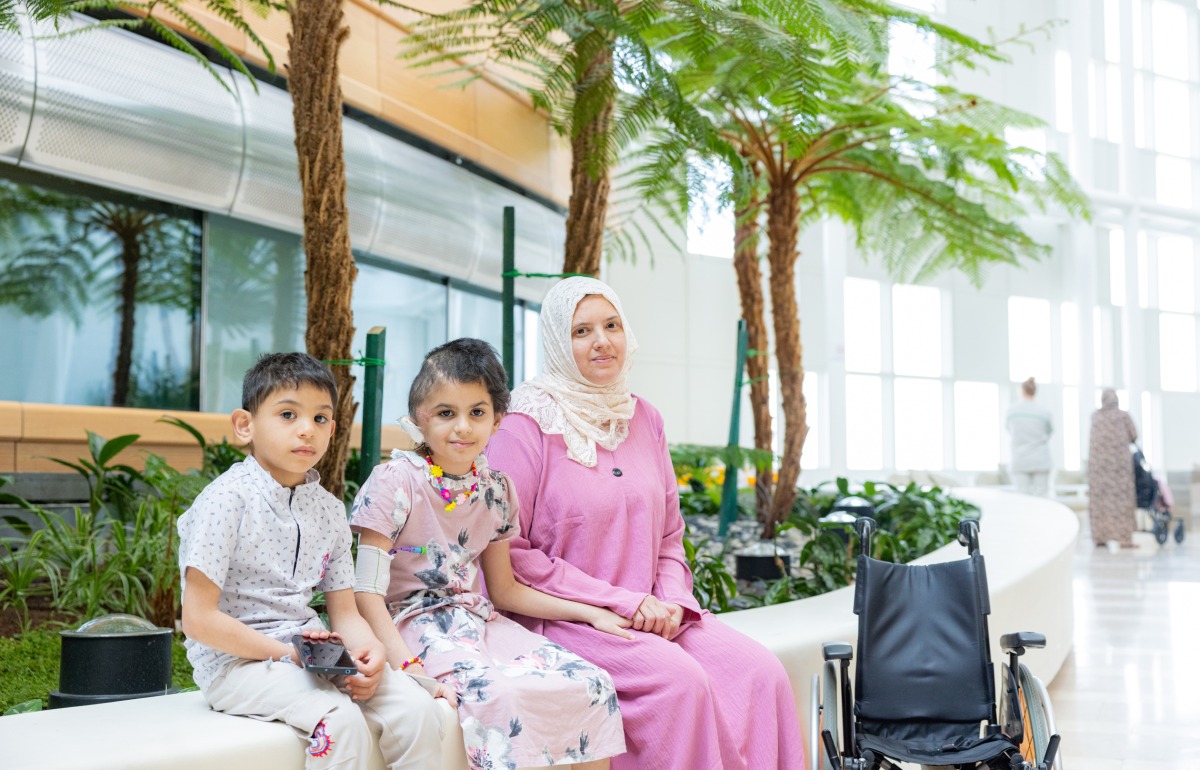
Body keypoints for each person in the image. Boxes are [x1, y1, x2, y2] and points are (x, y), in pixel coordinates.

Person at [486, 276, 805, 770]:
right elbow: (514, 555)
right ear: (555, 340)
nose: (601, 341)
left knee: (760, 671)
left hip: (655, 614)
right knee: (680, 683)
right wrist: (623, 602)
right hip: (570, 617)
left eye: (611, 325)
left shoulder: (644, 417)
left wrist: (673, 600)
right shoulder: (524, 427)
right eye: (581, 331)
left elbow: (669, 537)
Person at [350, 338, 629, 770]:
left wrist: (589, 613)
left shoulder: (497, 490)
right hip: (408, 624)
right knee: (499, 696)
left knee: (590, 682)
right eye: (446, 413)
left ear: (498, 420)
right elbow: (365, 593)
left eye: (477, 412)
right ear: (417, 419)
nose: (462, 426)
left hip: (478, 621)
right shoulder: (394, 481)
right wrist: (403, 664)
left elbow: (505, 590)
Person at [178, 352, 443, 769]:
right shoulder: (225, 501)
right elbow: (198, 620)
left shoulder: (329, 509)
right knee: (341, 722)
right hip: (234, 665)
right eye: (288, 414)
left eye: (320, 419)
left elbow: (346, 613)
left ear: (333, 429)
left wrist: (369, 652)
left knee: (420, 711)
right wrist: (289, 654)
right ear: (245, 425)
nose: (307, 430)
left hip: (315, 655)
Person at [1087, 388, 1139, 550]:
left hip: (1098, 470)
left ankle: (1100, 537)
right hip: (1119, 469)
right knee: (1122, 501)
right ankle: (1124, 539)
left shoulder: (1095, 417)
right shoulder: (1123, 416)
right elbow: (1134, 436)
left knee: (1100, 501)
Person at [1005, 377, 1053, 496]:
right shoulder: (1044, 411)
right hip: (1040, 459)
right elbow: (1049, 432)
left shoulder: (1012, 411)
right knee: (1042, 496)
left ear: (1021, 391)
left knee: (1022, 496)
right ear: (1035, 391)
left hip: (1020, 458)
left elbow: (1009, 430)